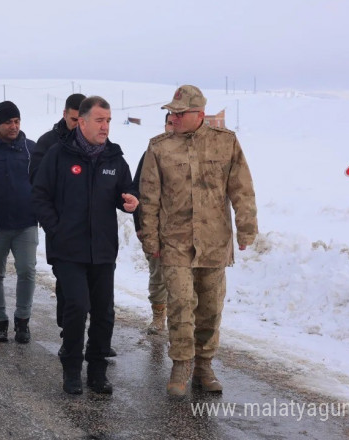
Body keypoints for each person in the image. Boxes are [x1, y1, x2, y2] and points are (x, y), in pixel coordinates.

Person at [138, 85, 258, 397]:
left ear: (199, 115)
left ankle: (204, 365)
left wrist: (247, 229)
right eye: (171, 113)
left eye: (180, 113)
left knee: (210, 308)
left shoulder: (225, 143)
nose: (173, 118)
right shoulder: (159, 147)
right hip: (175, 242)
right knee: (180, 305)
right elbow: (148, 198)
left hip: (214, 242)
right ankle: (181, 364)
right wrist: (149, 238)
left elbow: (241, 188)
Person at [32, 96, 138, 395]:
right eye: (100, 120)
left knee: (104, 311)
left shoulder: (113, 157)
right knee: (77, 306)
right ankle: (71, 369)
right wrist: (56, 230)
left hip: (102, 249)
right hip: (68, 250)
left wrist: (129, 200)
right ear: (82, 121)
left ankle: (97, 370)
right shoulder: (58, 155)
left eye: (108, 121)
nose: (105, 126)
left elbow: (126, 189)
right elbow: (40, 195)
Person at [0, 101, 38, 344]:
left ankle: (22, 321)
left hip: (26, 222)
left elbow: (41, 183)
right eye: (8, 122)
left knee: (27, 270)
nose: (14, 126)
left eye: (17, 121)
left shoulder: (31, 149)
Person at [132, 112, 175, 336]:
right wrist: (140, 226)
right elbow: (136, 191)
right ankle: (159, 316)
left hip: (183, 231)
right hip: (156, 228)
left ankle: (184, 323)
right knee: (158, 276)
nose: (172, 127)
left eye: (175, 122)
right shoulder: (151, 154)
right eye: (169, 123)